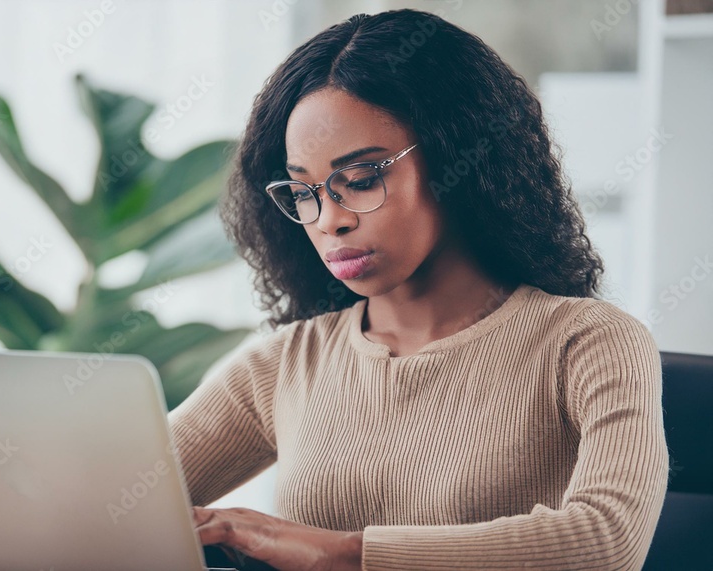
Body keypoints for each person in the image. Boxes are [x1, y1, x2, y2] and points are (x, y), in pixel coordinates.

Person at [169, 9, 668, 571]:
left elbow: (608, 541)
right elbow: (107, 502)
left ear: (459, 158)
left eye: (359, 180)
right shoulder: (286, 365)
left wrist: (339, 553)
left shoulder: (588, 342)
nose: (328, 220)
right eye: (304, 192)